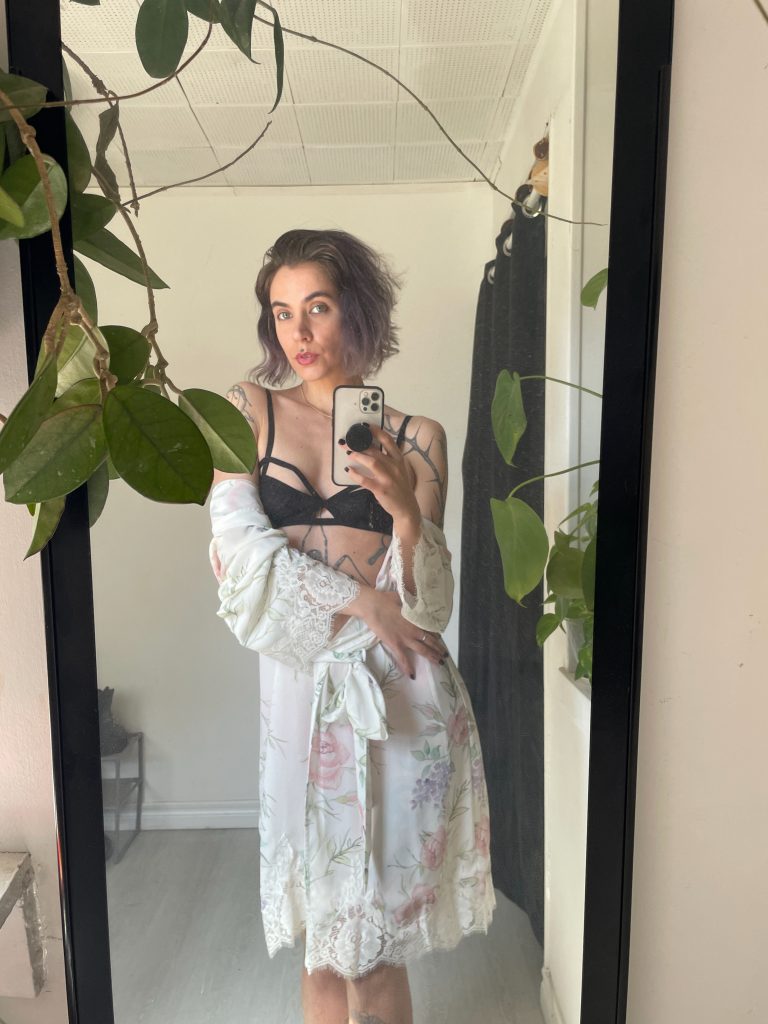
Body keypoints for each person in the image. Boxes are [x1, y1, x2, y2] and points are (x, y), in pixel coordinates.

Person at [208, 229, 495, 1024]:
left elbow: (429, 607)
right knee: (323, 948)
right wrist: (360, 600)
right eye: (282, 312)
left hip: (401, 696)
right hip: (301, 693)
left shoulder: (419, 437)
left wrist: (404, 510)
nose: (297, 333)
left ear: (357, 312)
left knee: (375, 953)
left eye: (319, 308)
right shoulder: (247, 411)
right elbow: (238, 561)